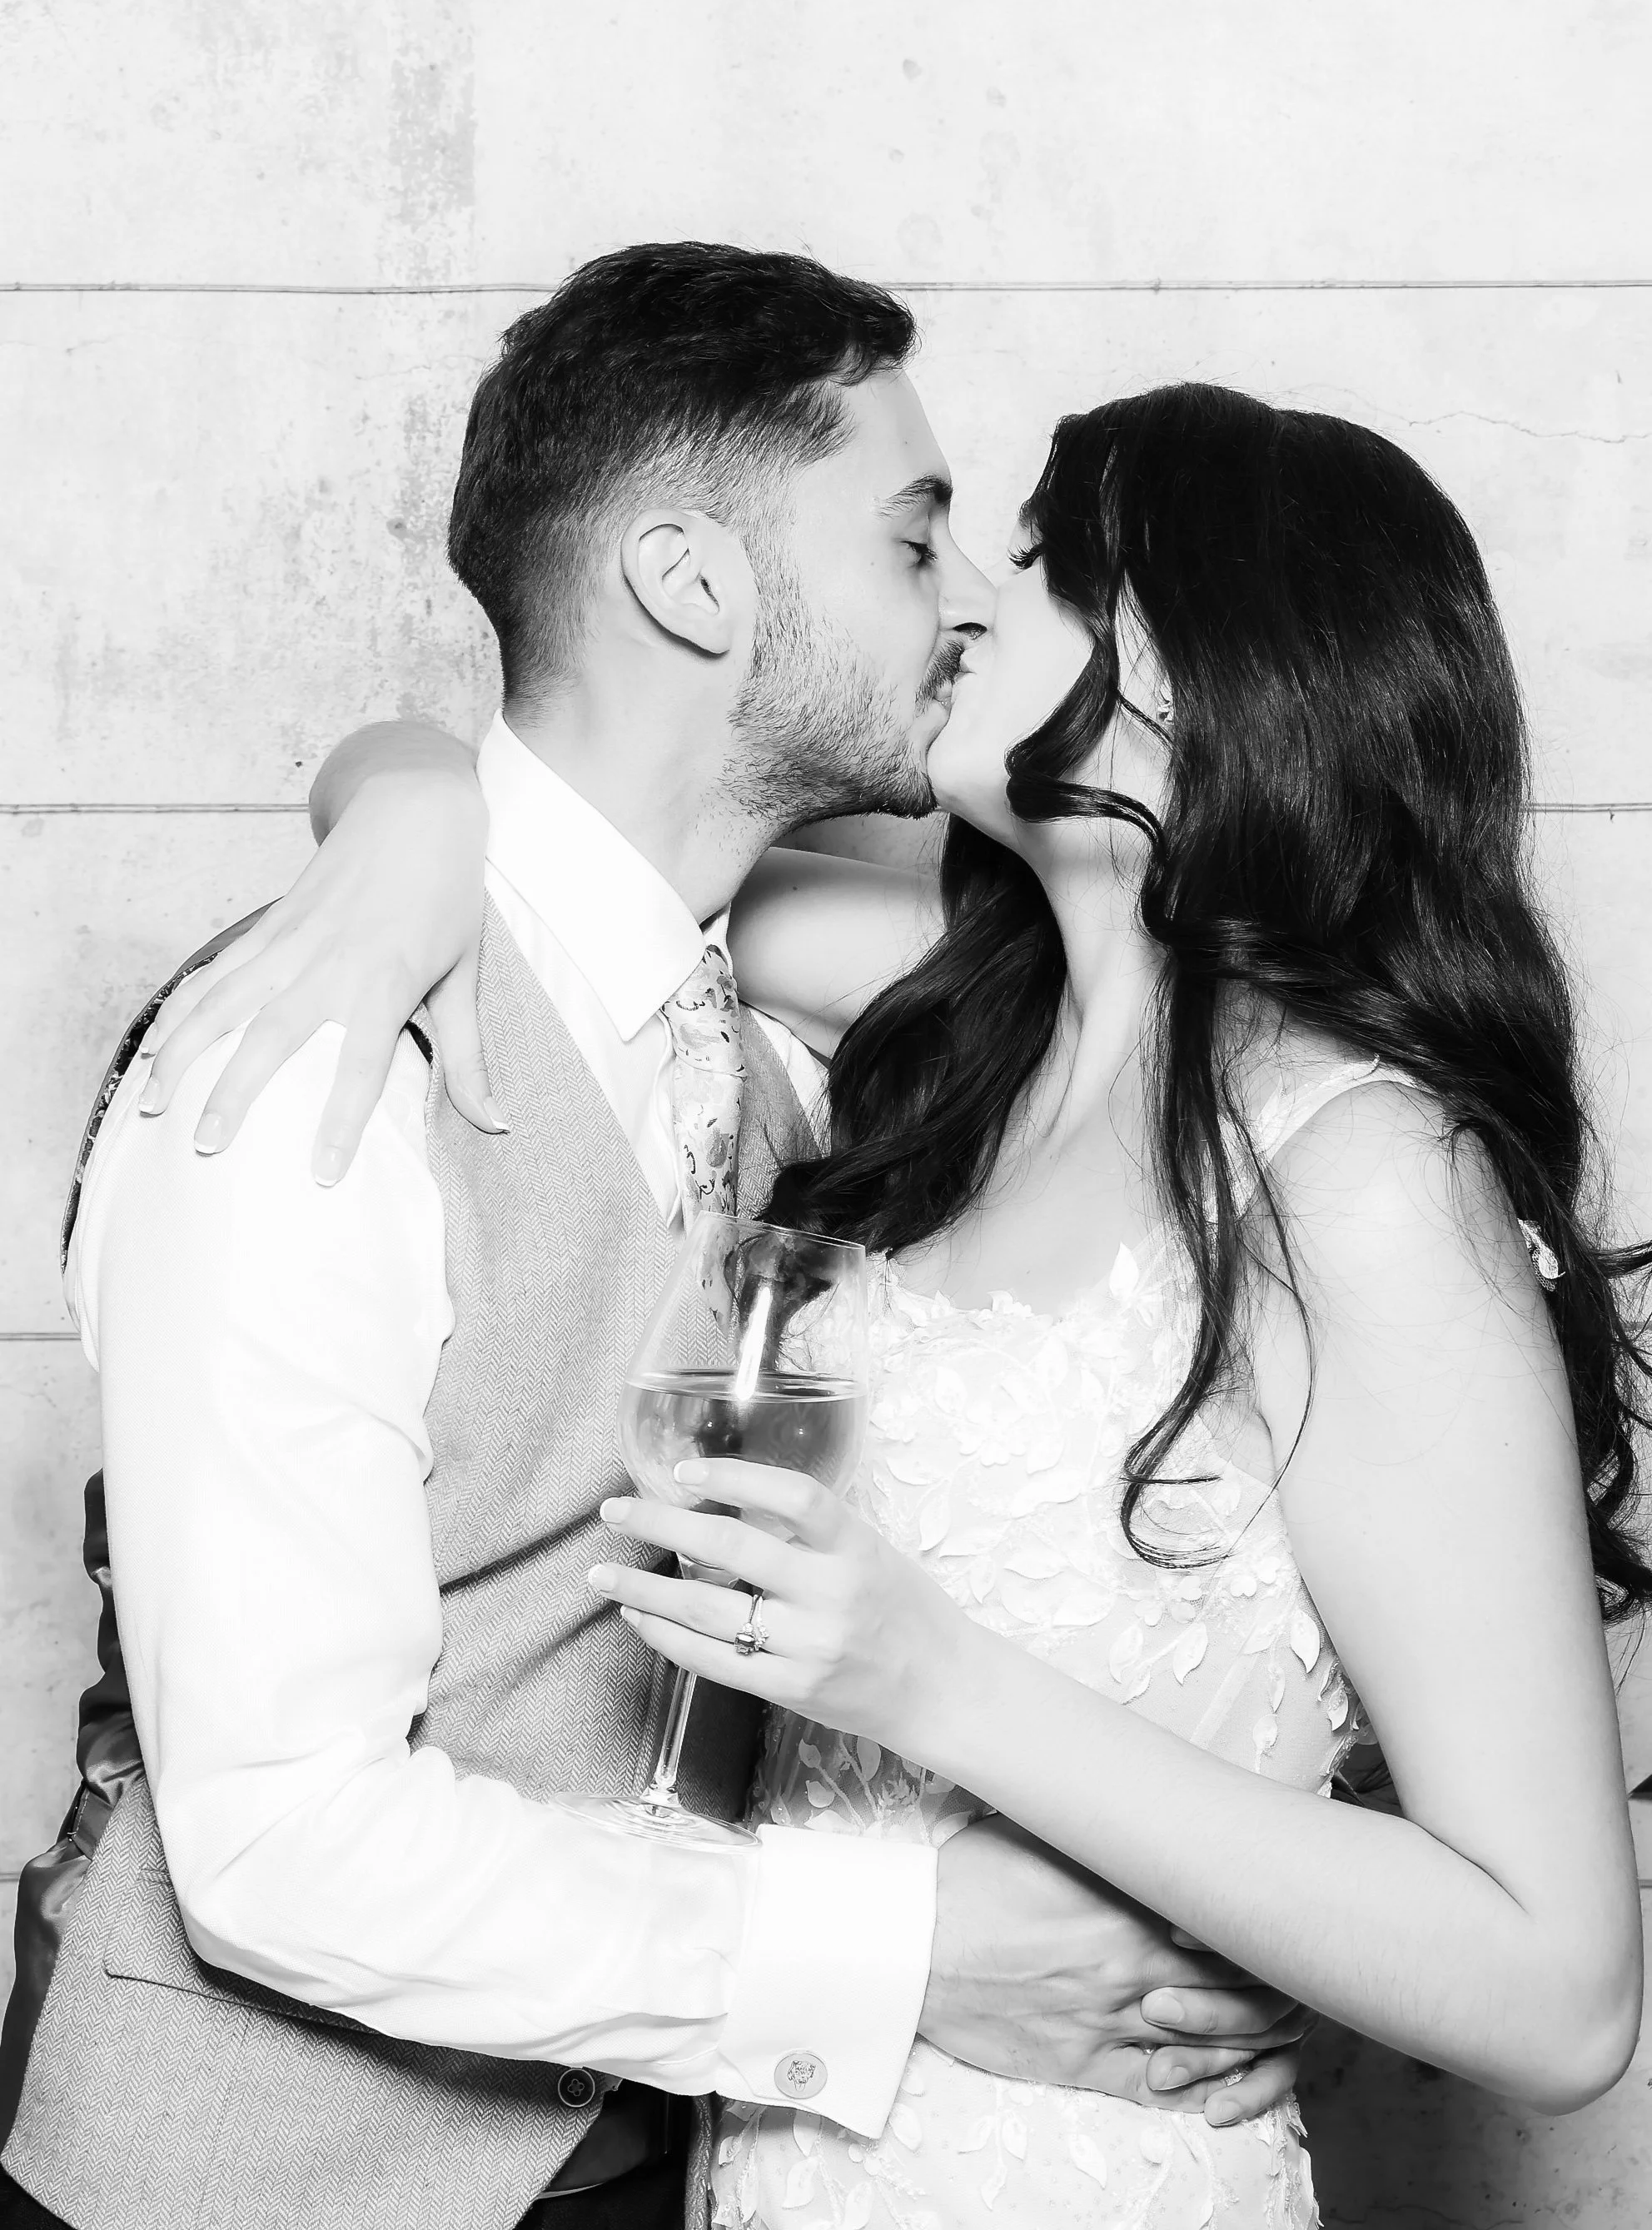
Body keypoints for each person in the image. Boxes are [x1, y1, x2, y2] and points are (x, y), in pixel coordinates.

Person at [138, 380, 1652, 2227]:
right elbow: (574, 843)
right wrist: (398, 822)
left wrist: (932, 1682)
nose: (949, 605)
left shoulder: (1354, 1172)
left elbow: (1562, 1997)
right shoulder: (956, 1020)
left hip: (1077, 2159)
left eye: (1018, 566)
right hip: (779, 2133)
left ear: (1191, 656)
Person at [0, 254, 1306, 2230]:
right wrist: (907, 1952)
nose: (965, 602)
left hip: (658, 2150)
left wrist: (398, 785)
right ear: (694, 587)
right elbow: (277, 1840)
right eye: (911, 531)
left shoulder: (773, 1024)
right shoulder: (316, 1069)